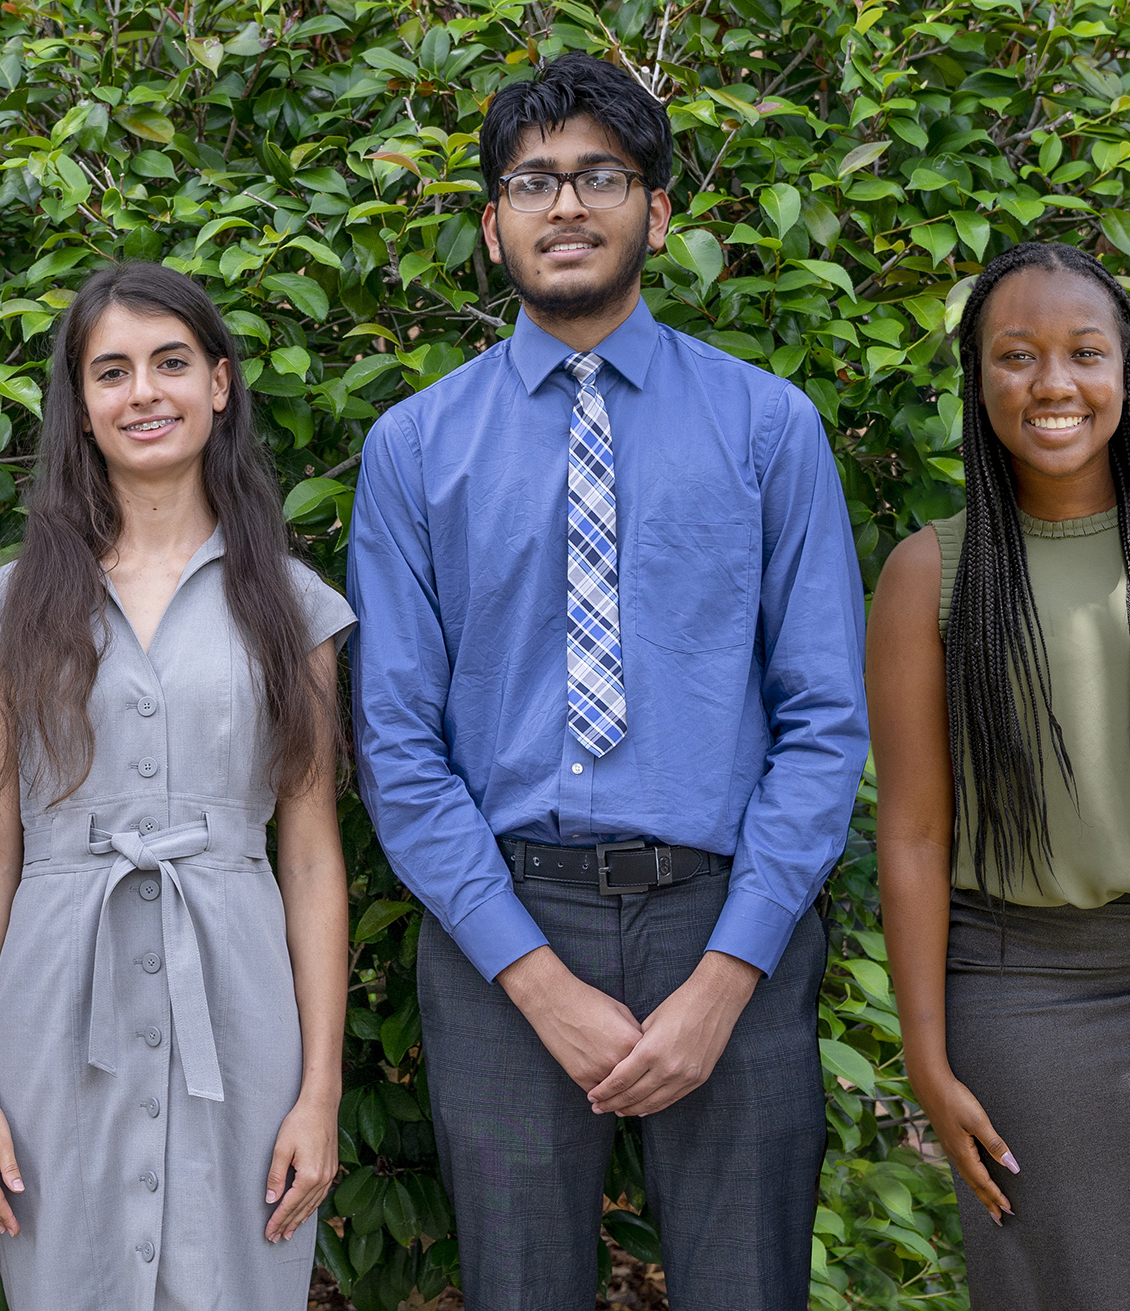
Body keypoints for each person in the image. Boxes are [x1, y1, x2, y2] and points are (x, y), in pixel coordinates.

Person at [347, 53, 870, 1310]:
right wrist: (532, 978)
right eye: (533, 181)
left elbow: (822, 721)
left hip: (724, 920)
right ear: (492, 222)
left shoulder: (766, 428)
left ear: (658, 211)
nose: (565, 206)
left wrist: (727, 977)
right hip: (502, 930)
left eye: (600, 176)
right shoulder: (414, 449)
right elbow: (395, 744)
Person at [867, 242, 1130, 1309]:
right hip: (1014, 998)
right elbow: (914, 837)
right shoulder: (929, 574)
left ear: (1125, 375)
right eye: (1014, 356)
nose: (1051, 384)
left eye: (1082, 353)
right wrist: (924, 1055)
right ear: (976, 383)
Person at [0, 261, 352, 1310]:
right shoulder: (10, 606)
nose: (144, 393)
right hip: (54, 1009)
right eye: (111, 372)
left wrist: (318, 1088)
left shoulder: (292, 609)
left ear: (219, 383)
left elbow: (307, 852)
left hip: (239, 1005)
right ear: (80, 407)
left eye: (170, 363)